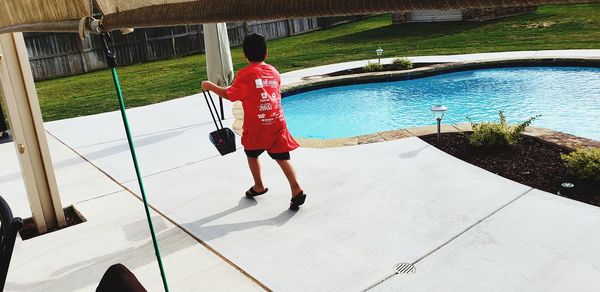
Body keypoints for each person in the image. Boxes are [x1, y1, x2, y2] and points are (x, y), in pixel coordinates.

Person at [201, 33, 306, 210]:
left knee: (252, 154)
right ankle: (296, 188)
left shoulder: (245, 74)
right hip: (277, 123)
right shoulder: (274, 71)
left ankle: (258, 185)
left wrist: (210, 86)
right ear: (266, 53)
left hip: (257, 126)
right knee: (282, 157)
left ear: (245, 55)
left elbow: (230, 94)